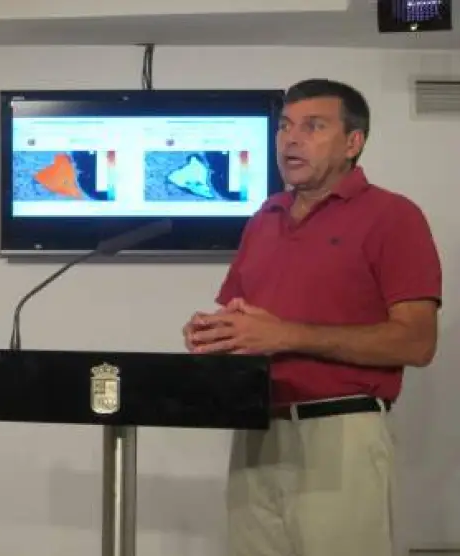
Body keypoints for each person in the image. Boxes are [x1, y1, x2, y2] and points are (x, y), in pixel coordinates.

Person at [182, 78, 441, 556]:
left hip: (339, 431)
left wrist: (287, 335)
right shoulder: (265, 217)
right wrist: (214, 334)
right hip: (256, 430)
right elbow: (244, 321)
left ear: (352, 142)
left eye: (313, 126)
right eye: (285, 126)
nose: (291, 139)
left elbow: (417, 342)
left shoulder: (393, 216)